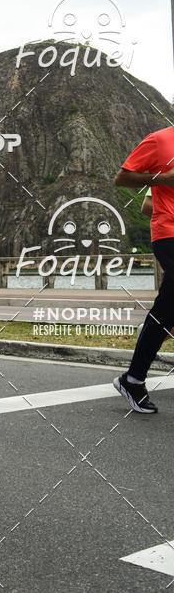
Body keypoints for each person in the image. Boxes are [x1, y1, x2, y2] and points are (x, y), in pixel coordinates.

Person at [114, 129, 174, 412]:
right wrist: (162, 179)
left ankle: (133, 379)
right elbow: (122, 177)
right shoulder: (160, 141)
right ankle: (133, 378)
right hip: (168, 232)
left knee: (166, 310)